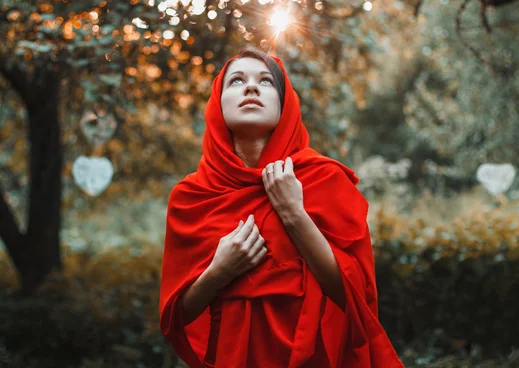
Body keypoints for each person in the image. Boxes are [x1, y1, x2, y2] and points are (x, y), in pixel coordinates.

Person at [158, 46, 404, 367]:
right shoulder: (192, 195)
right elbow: (178, 316)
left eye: (265, 81)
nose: (250, 87)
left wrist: (293, 213)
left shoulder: (322, 178)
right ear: (217, 105)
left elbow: (356, 298)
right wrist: (219, 272)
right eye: (236, 81)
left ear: (284, 104)